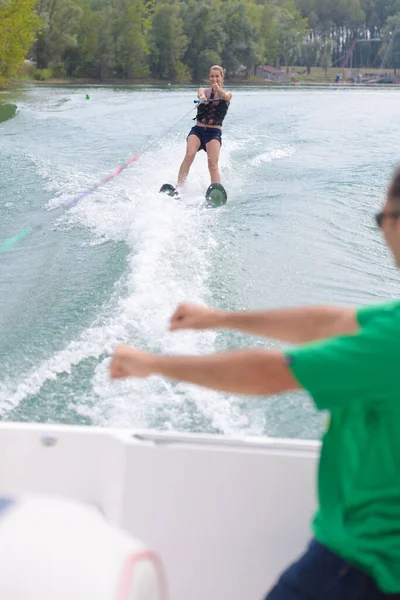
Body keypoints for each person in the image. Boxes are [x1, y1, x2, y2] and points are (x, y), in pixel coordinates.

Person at [110, 165, 400, 599]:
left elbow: (273, 374)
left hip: (366, 566)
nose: (382, 232)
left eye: (384, 219)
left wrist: (151, 364)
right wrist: (219, 319)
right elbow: (336, 323)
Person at [176, 65, 232, 189]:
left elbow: (226, 97)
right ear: (209, 77)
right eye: (212, 76)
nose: (214, 79)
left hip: (213, 132)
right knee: (189, 155)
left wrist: (218, 90)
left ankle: (215, 190)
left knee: (212, 165)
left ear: (222, 77)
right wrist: (203, 99)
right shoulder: (202, 90)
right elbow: (201, 95)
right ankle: (179, 187)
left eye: (217, 76)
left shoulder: (228, 93)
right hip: (198, 130)